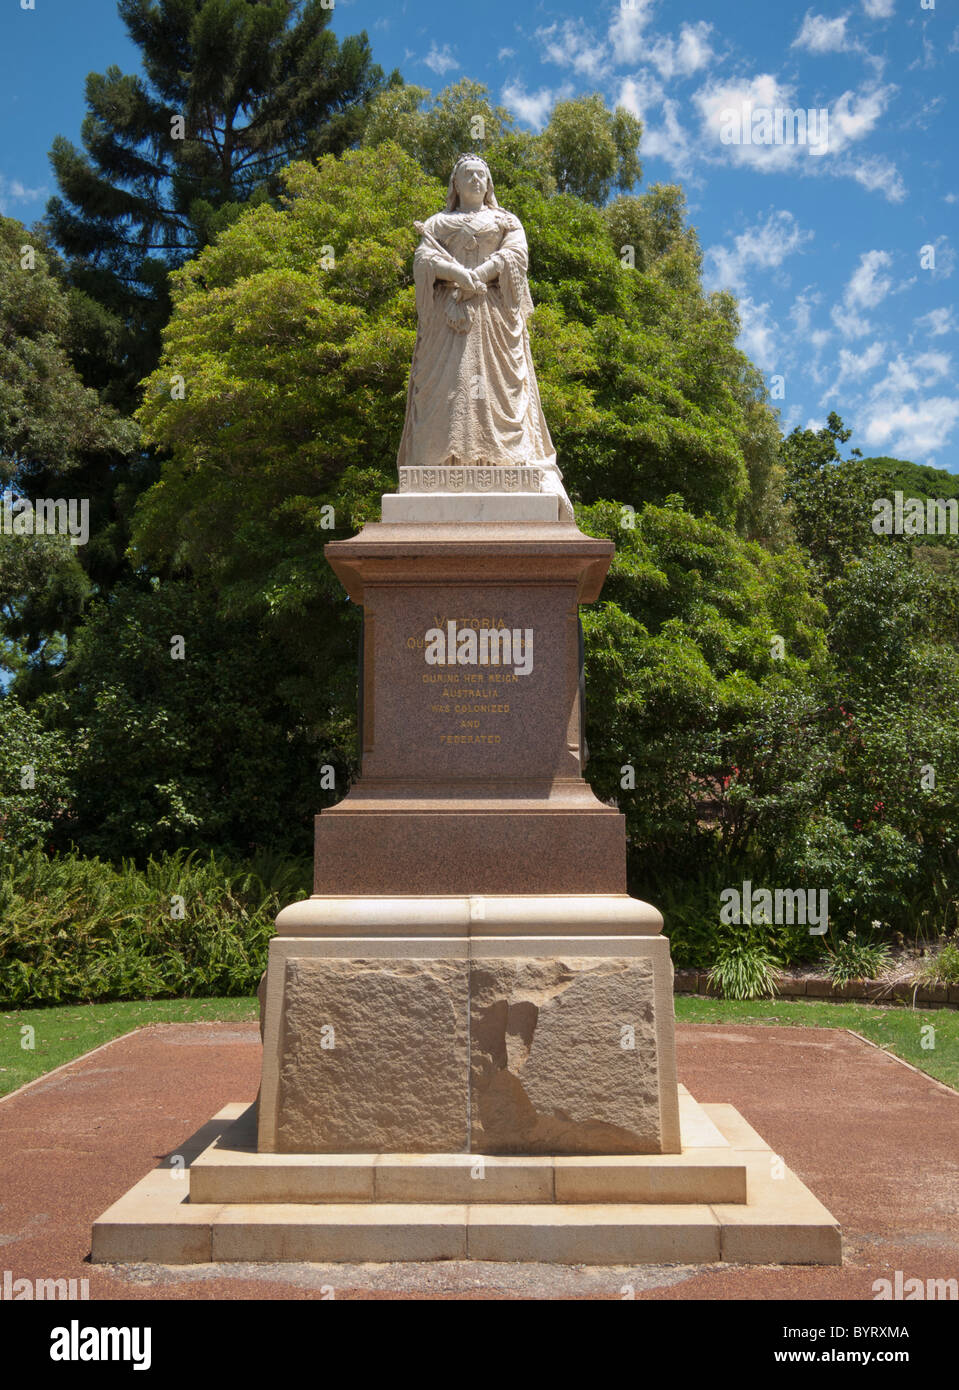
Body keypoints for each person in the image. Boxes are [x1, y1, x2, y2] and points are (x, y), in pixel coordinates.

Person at [397, 154, 574, 519]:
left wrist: (482, 271)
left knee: (497, 389)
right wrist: (456, 274)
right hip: (448, 319)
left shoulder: (506, 220)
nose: (476, 180)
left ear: (489, 183)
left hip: (493, 317)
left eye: (482, 175)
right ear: (455, 184)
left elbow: (516, 256)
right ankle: (441, 461)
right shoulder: (438, 222)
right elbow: (422, 260)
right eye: (468, 175)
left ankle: (505, 460)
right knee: (449, 387)